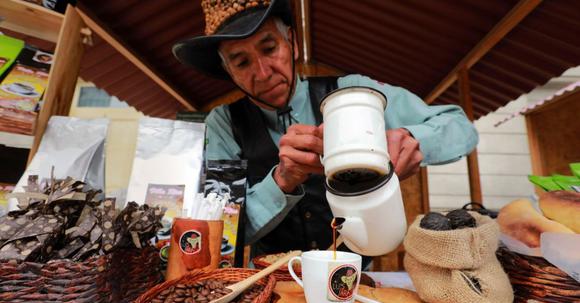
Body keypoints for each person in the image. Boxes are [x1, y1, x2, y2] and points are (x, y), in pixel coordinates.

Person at [173, 0, 478, 256]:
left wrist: (414, 140)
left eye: (269, 48)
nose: (263, 72)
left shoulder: (353, 93)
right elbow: (224, 233)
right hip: (270, 282)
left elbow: (459, 126)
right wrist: (281, 180)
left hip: (354, 273)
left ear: (291, 43)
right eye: (241, 62)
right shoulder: (224, 123)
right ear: (229, 72)